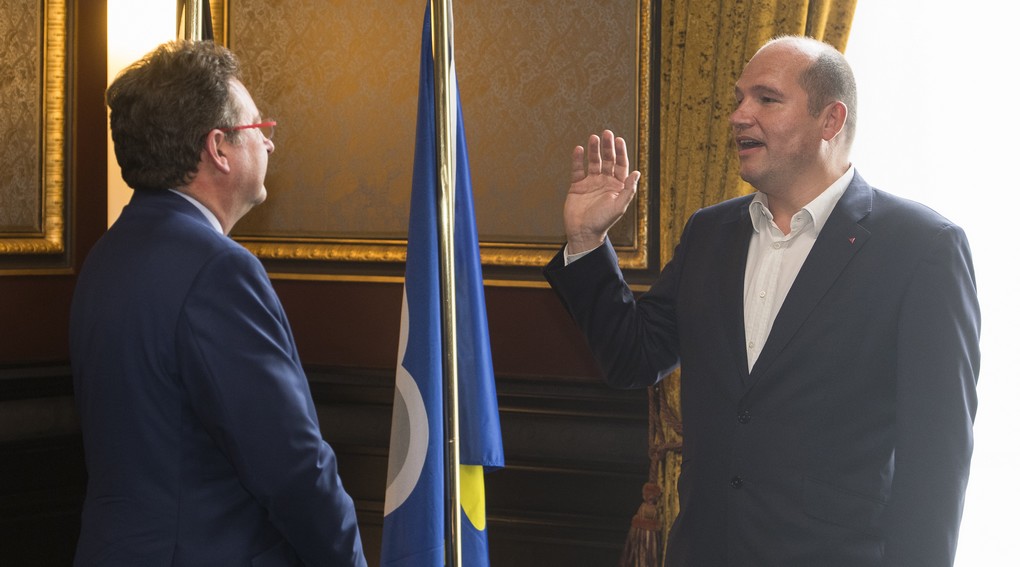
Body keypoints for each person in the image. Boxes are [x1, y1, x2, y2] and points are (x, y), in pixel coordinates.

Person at [544, 35, 979, 566]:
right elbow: (634, 359)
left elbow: (937, 460)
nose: (738, 116)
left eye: (766, 99)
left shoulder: (921, 247)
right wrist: (587, 242)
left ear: (830, 120)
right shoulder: (710, 232)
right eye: (738, 99)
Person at [69, 40, 367, 566]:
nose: (270, 145)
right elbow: (293, 468)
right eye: (259, 128)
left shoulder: (104, 256)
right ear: (219, 148)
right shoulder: (219, 269)